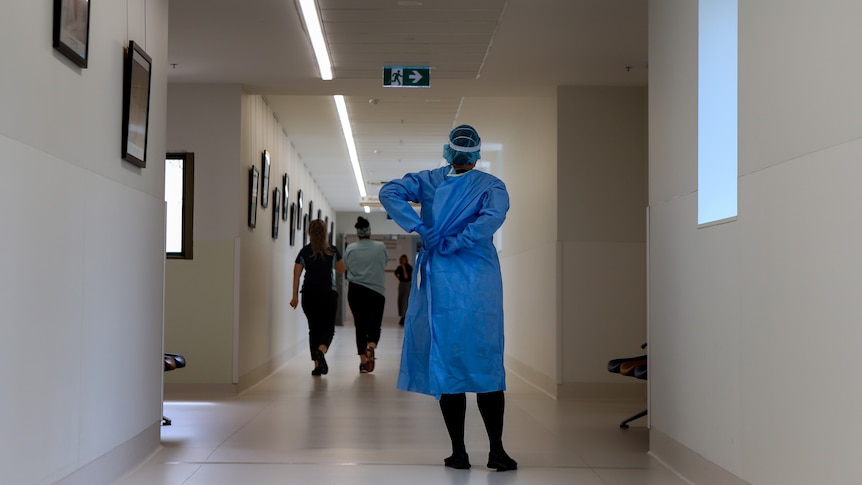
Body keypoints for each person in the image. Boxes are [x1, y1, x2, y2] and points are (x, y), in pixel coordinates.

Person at [378, 124, 517, 471]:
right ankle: (496, 451)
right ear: (476, 153)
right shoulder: (491, 186)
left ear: (448, 150)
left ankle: (459, 452)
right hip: (481, 280)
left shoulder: (429, 180)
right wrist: (462, 238)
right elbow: (491, 220)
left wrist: (420, 226)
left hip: (442, 278)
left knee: (448, 357)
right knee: (485, 360)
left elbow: (390, 192)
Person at [290, 219, 346, 376]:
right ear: (325, 233)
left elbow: (296, 273)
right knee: (328, 328)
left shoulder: (304, 251)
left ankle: (316, 366)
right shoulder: (332, 250)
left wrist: (294, 296)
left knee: (313, 329)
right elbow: (342, 269)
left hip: (308, 295)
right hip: (328, 294)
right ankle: (321, 351)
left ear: (309, 233)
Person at [343, 216, 389, 373]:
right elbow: (385, 263)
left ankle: (363, 362)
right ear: (369, 232)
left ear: (358, 233)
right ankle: (372, 346)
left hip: (355, 291)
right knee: (375, 323)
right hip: (376, 291)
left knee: (360, 326)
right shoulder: (380, 247)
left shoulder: (350, 249)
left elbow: (346, 267)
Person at [394, 254, 413, 326]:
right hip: (401, 284)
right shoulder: (399, 267)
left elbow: (406, 277)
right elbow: (395, 273)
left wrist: (404, 268)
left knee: (405, 300)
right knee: (400, 300)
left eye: (403, 259)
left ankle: (404, 316)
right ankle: (402, 315)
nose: (401, 261)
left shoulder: (409, 267)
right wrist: (398, 277)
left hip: (407, 284)